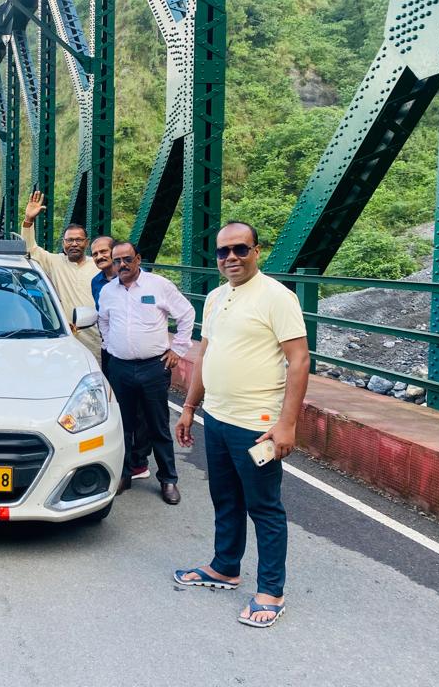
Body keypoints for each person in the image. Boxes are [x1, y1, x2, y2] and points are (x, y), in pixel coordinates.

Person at [174, 221, 309, 628]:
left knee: (264, 507)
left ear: (256, 251)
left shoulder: (276, 297)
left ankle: (271, 590)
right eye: (222, 252)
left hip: (257, 425)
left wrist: (287, 424)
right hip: (216, 417)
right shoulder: (216, 297)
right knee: (225, 498)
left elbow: (299, 360)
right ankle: (224, 567)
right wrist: (189, 407)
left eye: (240, 249)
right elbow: (205, 354)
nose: (230, 258)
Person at [98, 242, 194, 503]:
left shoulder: (158, 285)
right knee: (123, 425)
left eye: (127, 259)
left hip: (154, 366)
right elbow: (103, 320)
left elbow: (186, 314)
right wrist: (109, 345)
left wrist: (178, 350)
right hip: (120, 366)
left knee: (157, 424)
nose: (122, 265)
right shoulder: (107, 291)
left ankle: (168, 480)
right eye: (116, 261)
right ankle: (125, 474)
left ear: (138, 259)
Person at [21, 191, 100, 358]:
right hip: (65, 335)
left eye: (78, 240)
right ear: (63, 243)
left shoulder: (98, 265)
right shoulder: (55, 262)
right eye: (69, 240)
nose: (74, 244)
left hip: (96, 337)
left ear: (86, 242)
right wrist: (29, 220)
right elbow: (30, 249)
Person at [90, 235, 117, 372]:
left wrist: (177, 349)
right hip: (109, 348)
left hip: (137, 351)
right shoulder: (96, 282)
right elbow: (102, 315)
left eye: (104, 251)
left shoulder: (135, 277)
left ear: (115, 251)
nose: (99, 256)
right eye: (95, 254)